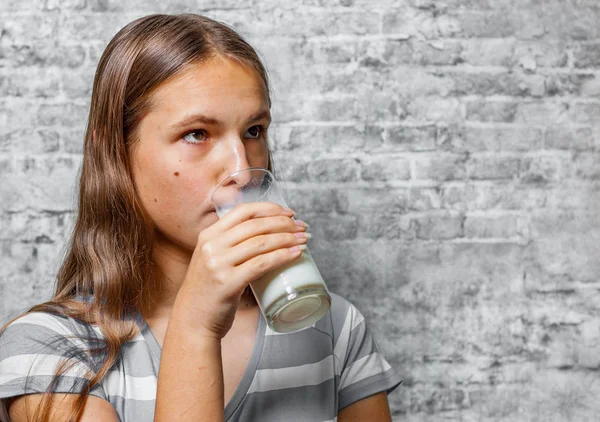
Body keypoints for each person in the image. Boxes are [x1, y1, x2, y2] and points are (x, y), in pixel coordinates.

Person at [0, 13, 402, 421]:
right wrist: (195, 326)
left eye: (254, 131)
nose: (242, 170)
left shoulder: (333, 329)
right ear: (118, 154)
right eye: (197, 134)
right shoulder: (51, 351)